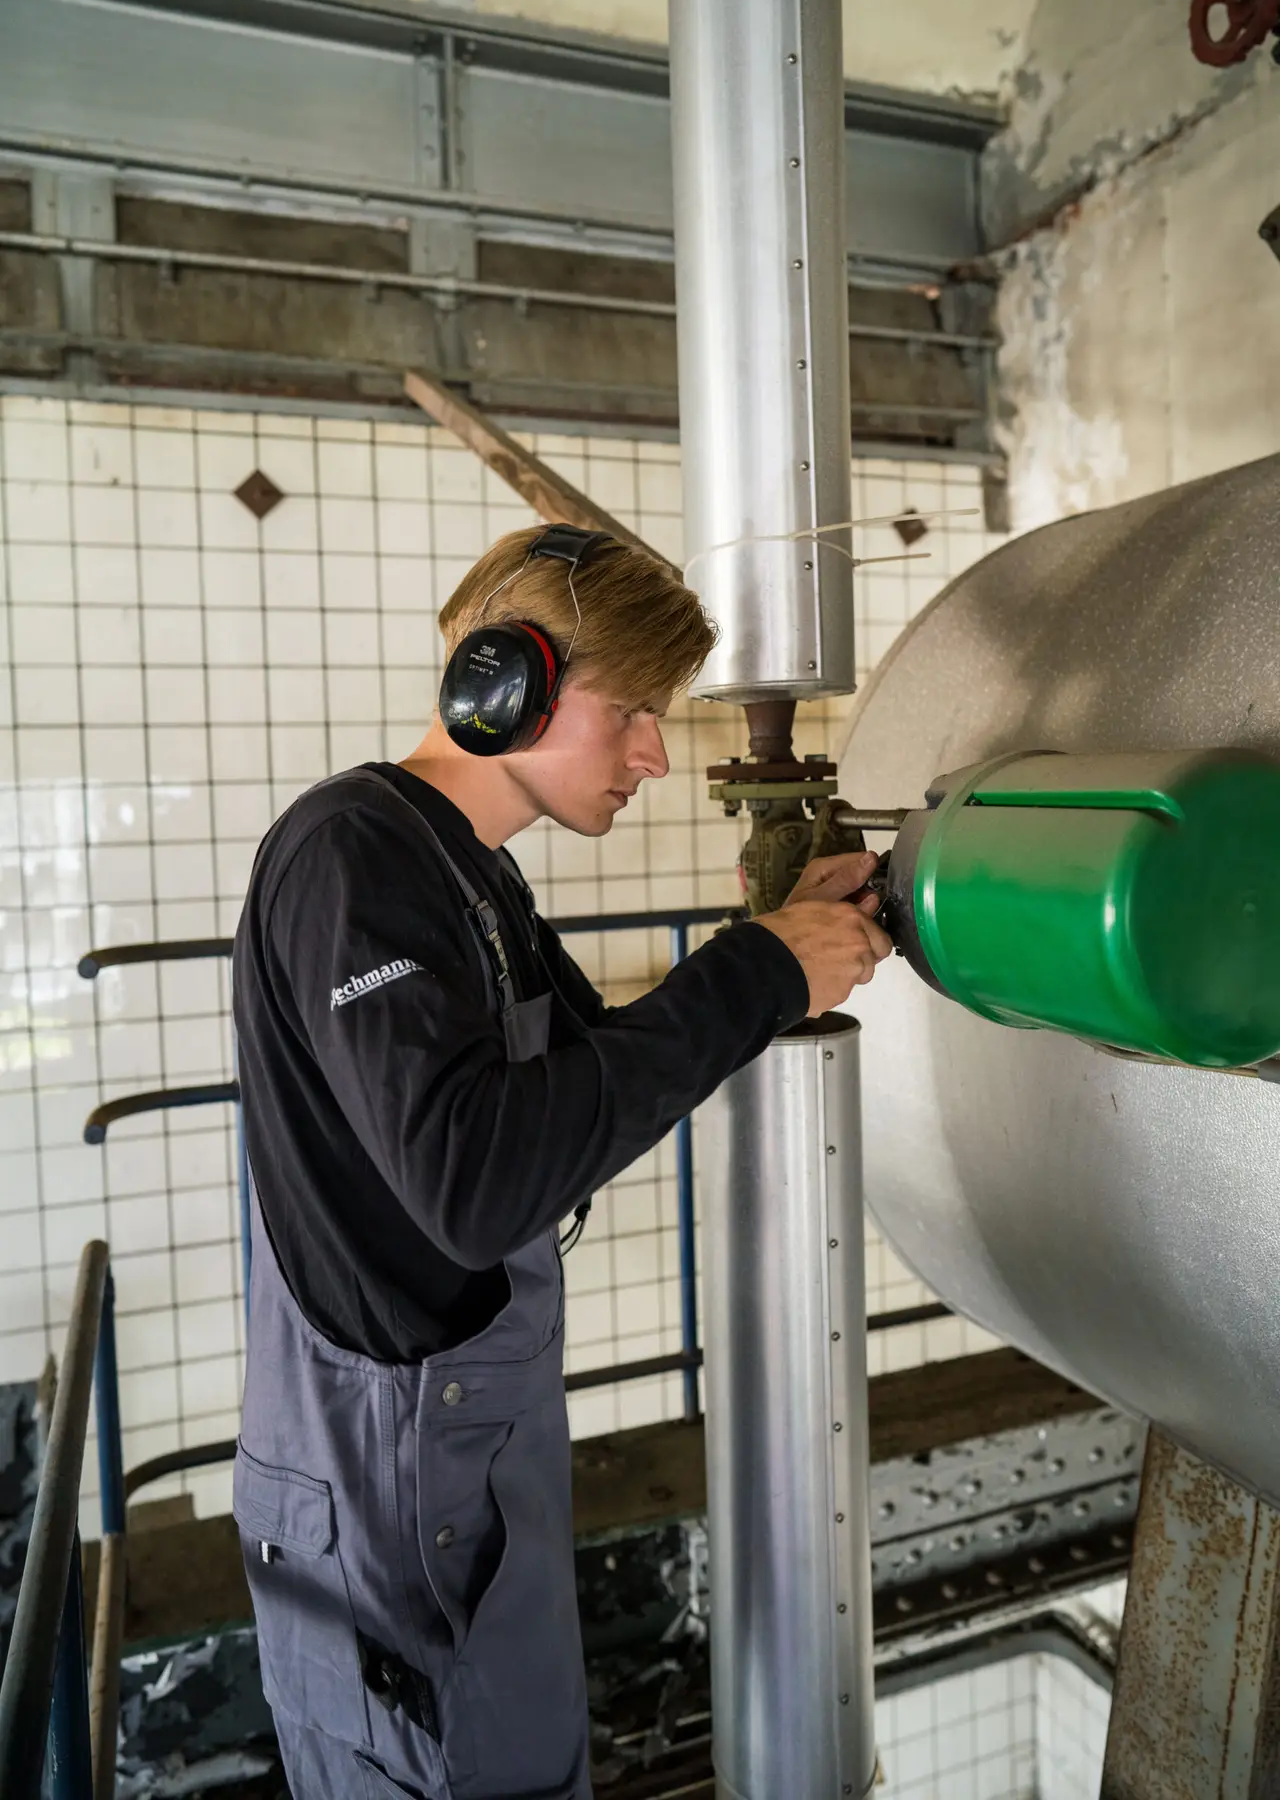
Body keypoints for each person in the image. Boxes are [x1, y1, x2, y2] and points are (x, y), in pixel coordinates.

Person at [231, 521, 890, 1800]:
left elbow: (595, 1074)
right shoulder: (352, 855)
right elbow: (479, 1185)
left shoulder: (470, 874)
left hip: (462, 1439)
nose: (654, 753)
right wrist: (755, 971)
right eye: (634, 712)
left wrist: (780, 936)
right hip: (384, 1463)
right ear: (506, 687)